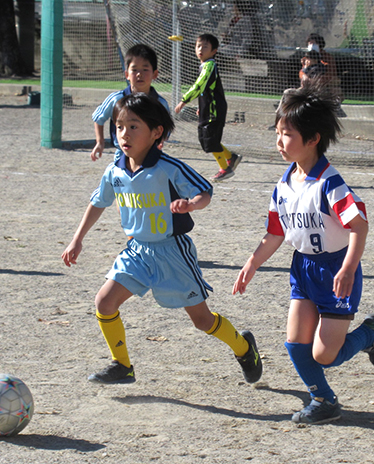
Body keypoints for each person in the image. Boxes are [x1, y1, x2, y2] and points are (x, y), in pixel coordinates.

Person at [62, 93, 262, 385]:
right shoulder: (115, 170)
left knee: (202, 321)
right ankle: (122, 366)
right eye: (119, 127)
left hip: (173, 252)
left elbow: (205, 192)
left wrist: (191, 204)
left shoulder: (168, 167)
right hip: (137, 251)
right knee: (104, 302)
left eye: (133, 126)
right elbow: (98, 202)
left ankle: (244, 349)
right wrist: (77, 238)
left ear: (156, 133)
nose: (123, 134)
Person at [232, 84, 374, 424]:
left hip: (335, 270)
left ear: (312, 139)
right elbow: (276, 232)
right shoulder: (284, 185)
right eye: (277, 133)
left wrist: (349, 269)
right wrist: (252, 262)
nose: (279, 141)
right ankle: (324, 400)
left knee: (325, 356)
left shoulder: (330, 184)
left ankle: (371, 332)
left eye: (287, 135)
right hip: (303, 268)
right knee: (296, 343)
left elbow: (359, 227)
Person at [175, 33, 241, 182]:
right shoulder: (205, 65)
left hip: (215, 109)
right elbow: (207, 91)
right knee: (209, 138)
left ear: (214, 51)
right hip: (210, 108)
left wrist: (184, 101)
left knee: (209, 139)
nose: (201, 49)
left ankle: (225, 169)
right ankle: (231, 157)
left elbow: (200, 85)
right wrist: (202, 106)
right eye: (198, 46)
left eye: (205, 47)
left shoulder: (210, 65)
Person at [90, 44, 170, 162]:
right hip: (123, 154)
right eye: (134, 69)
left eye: (145, 69)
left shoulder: (160, 103)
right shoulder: (116, 99)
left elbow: (166, 127)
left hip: (151, 153)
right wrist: (100, 142)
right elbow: (98, 118)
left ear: (155, 74)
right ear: (127, 74)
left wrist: (161, 141)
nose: (139, 74)